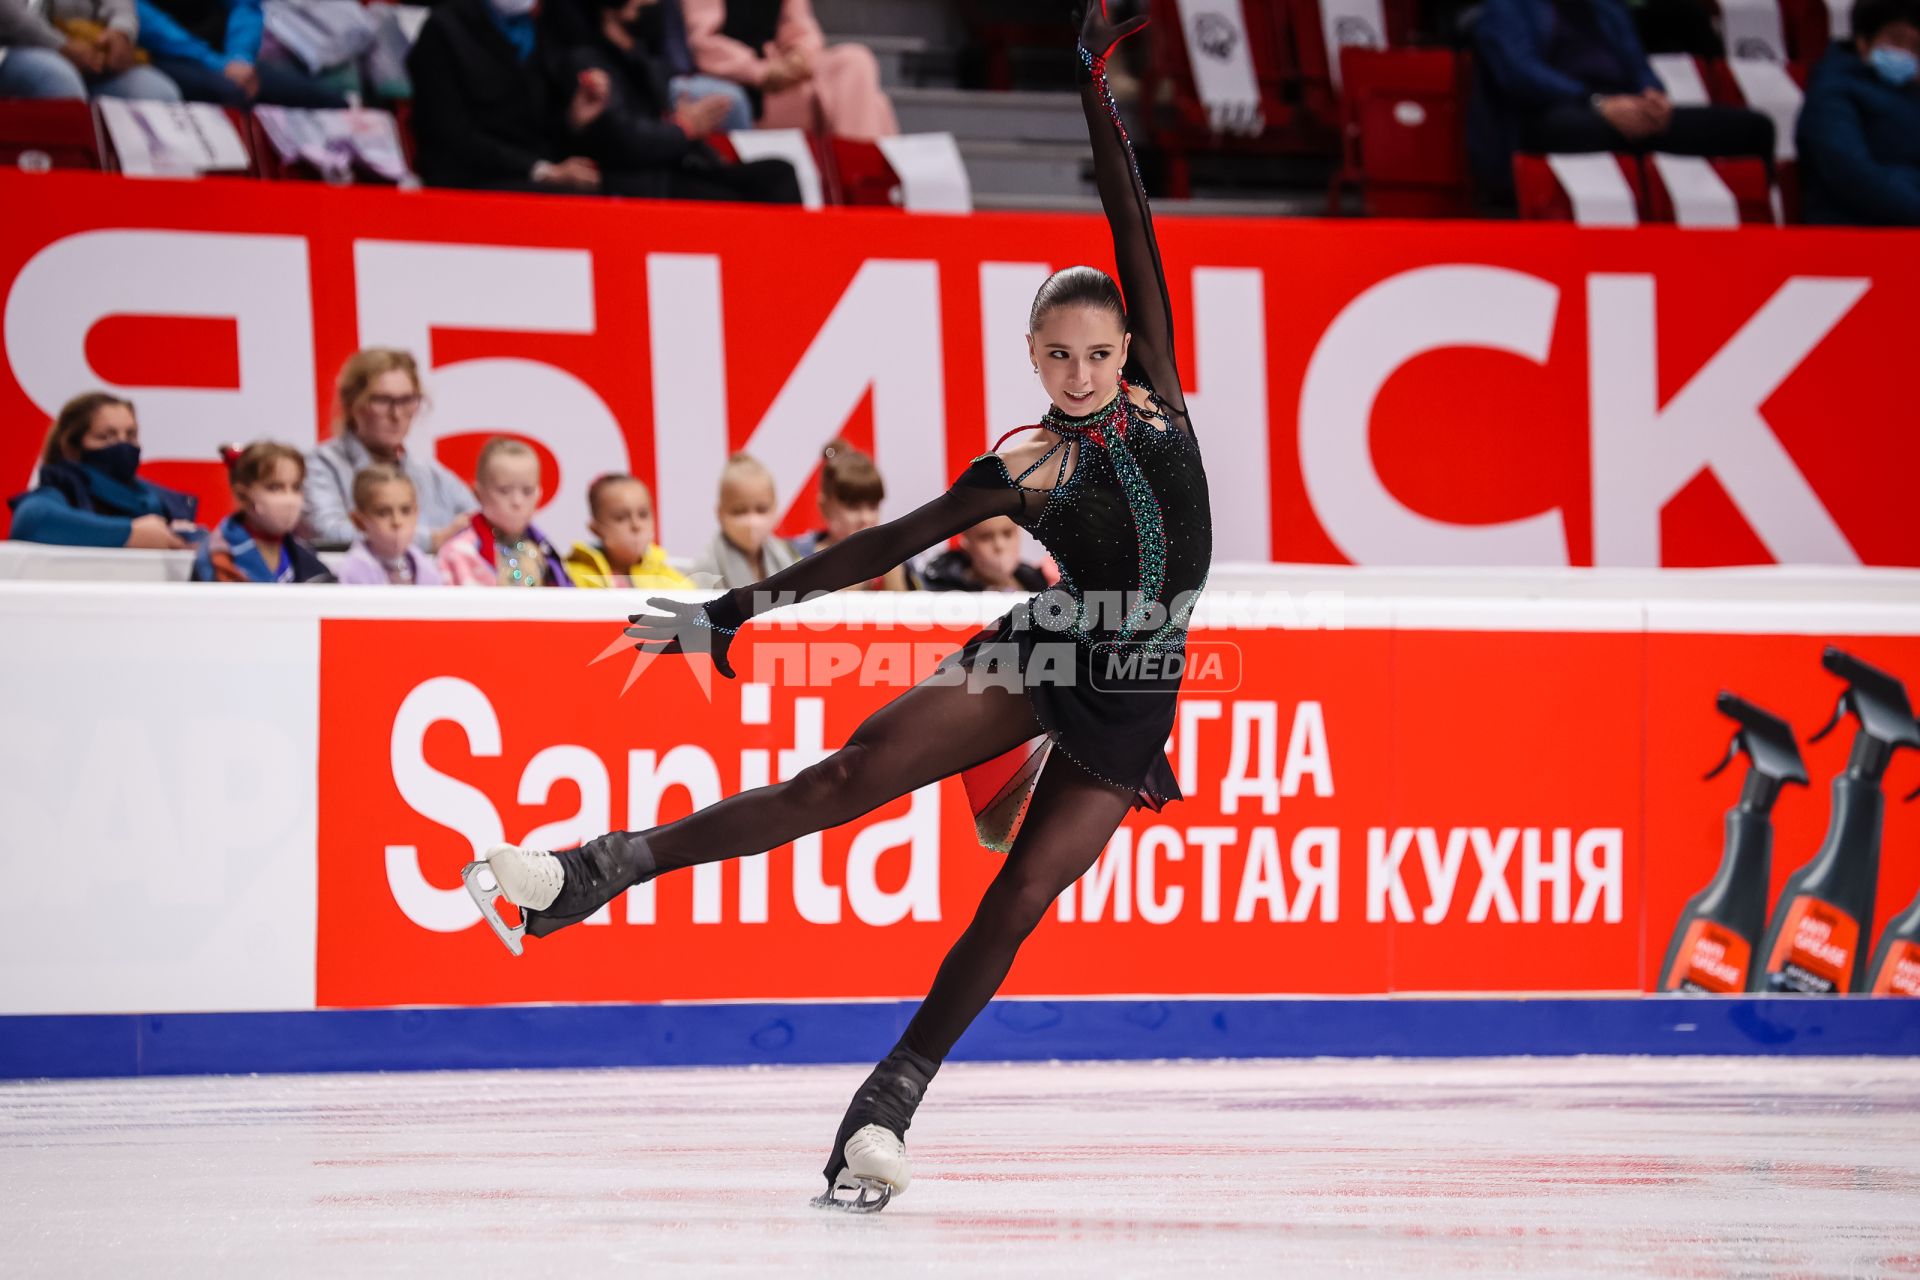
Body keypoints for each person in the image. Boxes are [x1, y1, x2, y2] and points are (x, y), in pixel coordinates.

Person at [464, 1, 1211, 1214]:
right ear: (1033, 356)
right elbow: (883, 539)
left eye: (1097, 351)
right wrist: (738, 606)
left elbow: (1131, 219)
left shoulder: (1166, 394)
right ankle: (591, 869)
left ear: (1129, 343)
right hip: (1044, 649)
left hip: (1136, 693)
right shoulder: (1023, 464)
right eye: (1057, 357)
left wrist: (1090, 80)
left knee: (1017, 899)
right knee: (838, 784)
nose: (1080, 374)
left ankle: (886, 1104)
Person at [405, 0, 798, 202]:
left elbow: (544, 127)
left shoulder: (538, 35)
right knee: (587, 194)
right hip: (471, 183)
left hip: (538, 171)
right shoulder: (445, 31)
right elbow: (451, 135)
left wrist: (575, 120)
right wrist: (542, 169)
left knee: (771, 178)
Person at [1467, 0, 1774, 200]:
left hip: (1624, 107)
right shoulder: (1506, 8)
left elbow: (1637, 64)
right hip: (1556, 111)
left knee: (1754, 128)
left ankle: (1765, 240)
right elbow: (1520, 76)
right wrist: (1597, 102)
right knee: (1576, 127)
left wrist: (1652, 94)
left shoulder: (1607, 8)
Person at [302, 349, 478, 553]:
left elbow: (482, 525)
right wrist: (430, 540)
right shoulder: (322, 464)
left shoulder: (431, 474)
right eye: (382, 401)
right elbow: (328, 533)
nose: (396, 414)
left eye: (406, 400)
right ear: (352, 404)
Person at [8, 392, 199, 549]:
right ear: (71, 447)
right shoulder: (63, 491)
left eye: (130, 435)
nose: (122, 445)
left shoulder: (159, 501)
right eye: (106, 436)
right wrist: (131, 533)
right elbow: (32, 520)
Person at [683, 0, 897, 137]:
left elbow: (801, 28)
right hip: (738, 81)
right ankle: (866, 186)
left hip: (784, 74)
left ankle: (860, 172)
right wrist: (760, 71)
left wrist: (799, 58)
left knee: (855, 61)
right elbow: (703, 43)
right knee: (875, 106)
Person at [1797, 0, 1920, 226]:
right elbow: (1851, 174)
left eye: (1917, 47)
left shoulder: (1912, 95)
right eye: (1897, 40)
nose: (1908, 54)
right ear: (1863, 42)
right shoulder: (1831, 92)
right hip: (1854, 233)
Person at [134, 0, 347, 107]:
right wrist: (218, 64)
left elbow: (246, 7)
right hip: (163, 56)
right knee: (230, 93)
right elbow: (149, 24)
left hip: (232, 60)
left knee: (332, 102)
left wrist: (240, 57)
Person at [437, 437, 573, 587]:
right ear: (478, 494)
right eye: (504, 490)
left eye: (527, 491)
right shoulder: (459, 553)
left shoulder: (545, 551)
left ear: (538, 495)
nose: (517, 501)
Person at [789, 438, 919, 591]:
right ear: (825, 507)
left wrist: (892, 567)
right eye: (853, 507)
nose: (866, 518)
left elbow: (909, 611)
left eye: (873, 506)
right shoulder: (795, 556)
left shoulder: (895, 557)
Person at [192, 441, 332, 582]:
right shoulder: (217, 556)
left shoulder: (307, 558)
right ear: (243, 496)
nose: (289, 499)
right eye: (275, 487)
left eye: (296, 487)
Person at [0, 0, 182, 99]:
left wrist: (121, 32)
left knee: (158, 90)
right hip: (12, 49)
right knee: (57, 78)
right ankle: (69, 167)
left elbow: (121, 8)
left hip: (90, 54)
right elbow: (8, 15)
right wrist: (60, 45)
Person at [684, 452, 801, 588]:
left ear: (775, 509)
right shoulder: (704, 570)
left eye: (761, 509)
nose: (751, 521)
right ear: (720, 513)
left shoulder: (787, 557)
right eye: (739, 511)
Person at [566, 473, 693, 588]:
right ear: (595, 529)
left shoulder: (673, 581)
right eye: (620, 517)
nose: (636, 525)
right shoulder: (573, 579)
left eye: (643, 514)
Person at [336, 464, 444, 585]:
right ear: (359, 521)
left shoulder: (426, 567)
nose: (397, 521)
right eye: (383, 512)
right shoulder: (353, 572)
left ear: (416, 513)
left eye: (405, 510)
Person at [922, 515, 1049, 593]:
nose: (1000, 545)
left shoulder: (1036, 581)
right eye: (985, 537)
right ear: (966, 542)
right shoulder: (944, 587)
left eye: (1007, 533)